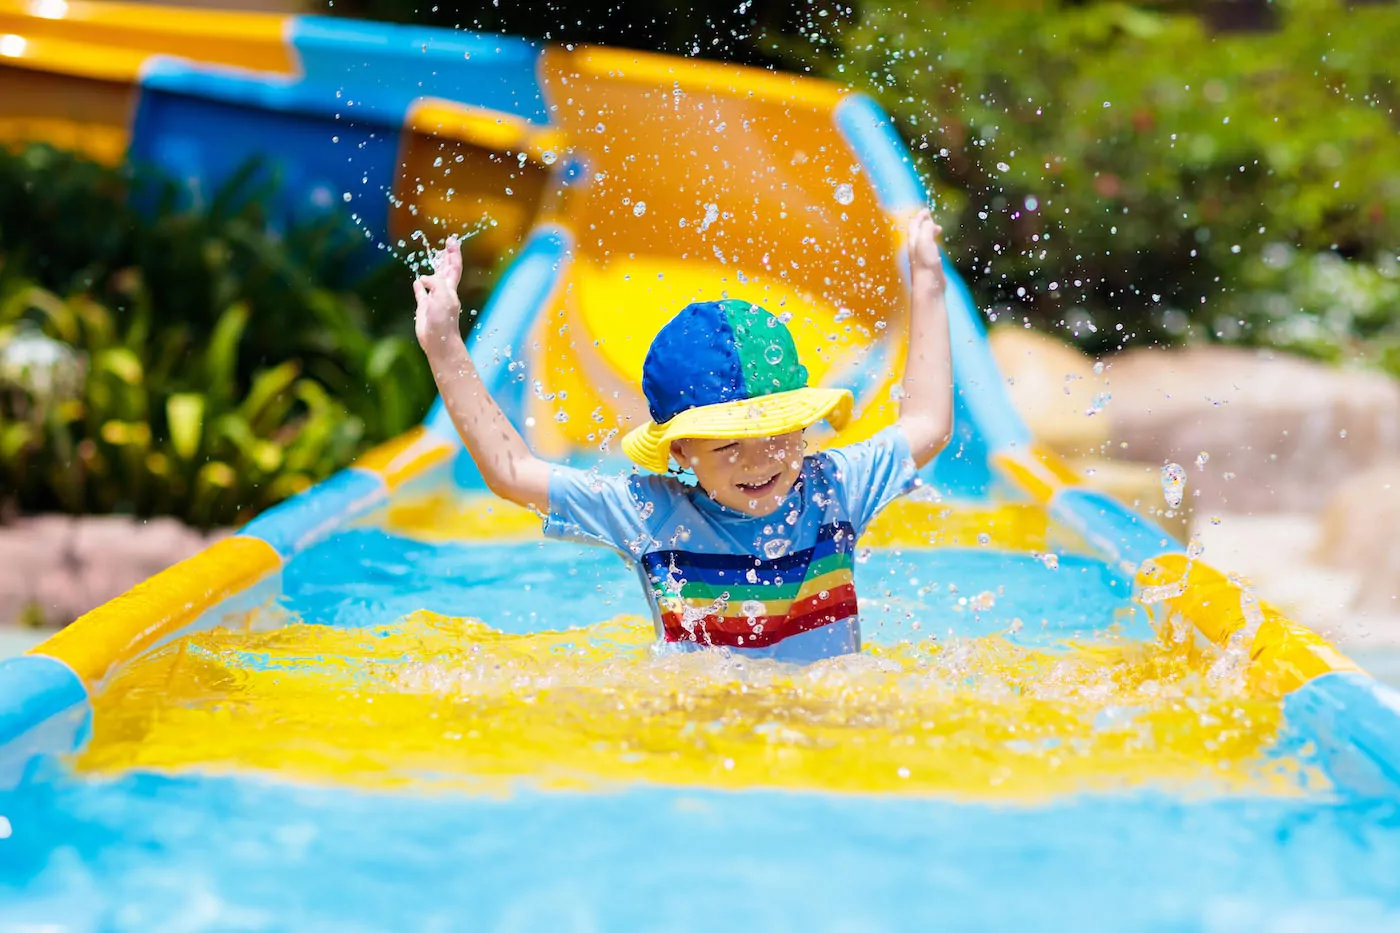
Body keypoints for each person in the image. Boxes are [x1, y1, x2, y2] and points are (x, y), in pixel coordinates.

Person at [414, 209, 952, 663]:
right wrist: (444, 345)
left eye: (777, 435)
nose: (758, 461)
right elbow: (512, 474)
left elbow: (928, 425)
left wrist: (927, 285)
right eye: (727, 445)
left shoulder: (836, 489)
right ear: (681, 451)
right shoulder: (651, 514)